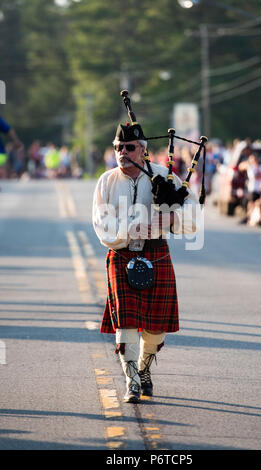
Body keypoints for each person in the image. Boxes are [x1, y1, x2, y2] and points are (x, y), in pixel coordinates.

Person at [92, 121, 201, 403]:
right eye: (118, 147)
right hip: (122, 253)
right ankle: (131, 381)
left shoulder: (164, 176)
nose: (122, 152)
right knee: (126, 321)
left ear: (142, 150)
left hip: (156, 252)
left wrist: (173, 219)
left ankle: (143, 370)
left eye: (129, 147)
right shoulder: (106, 181)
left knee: (155, 327)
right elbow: (101, 224)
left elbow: (193, 212)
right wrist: (130, 228)